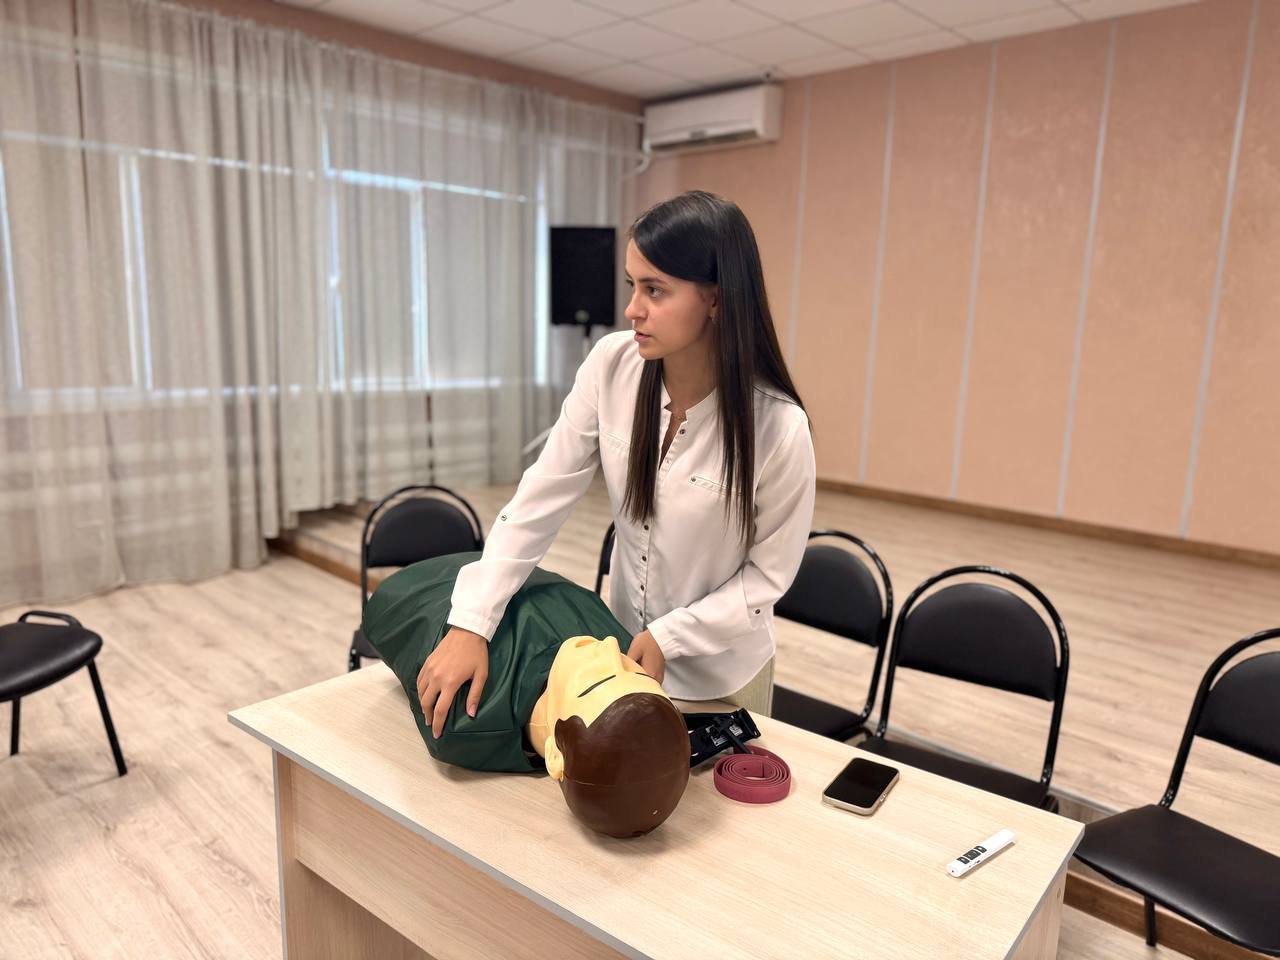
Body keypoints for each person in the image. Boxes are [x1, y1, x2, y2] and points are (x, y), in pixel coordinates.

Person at [417, 189, 816, 737]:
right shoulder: (612, 365)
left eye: (655, 289)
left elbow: (766, 579)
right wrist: (472, 621)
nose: (632, 309)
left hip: (723, 679)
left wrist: (671, 637)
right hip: (622, 659)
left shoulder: (779, 426)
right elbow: (540, 498)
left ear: (716, 299)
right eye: (633, 285)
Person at [364, 551, 690, 838]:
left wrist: (466, 625)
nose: (607, 647)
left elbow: (391, 605)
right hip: (501, 560)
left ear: (554, 757)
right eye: (632, 670)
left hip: (423, 582)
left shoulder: (466, 712)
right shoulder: (619, 641)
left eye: (598, 680)